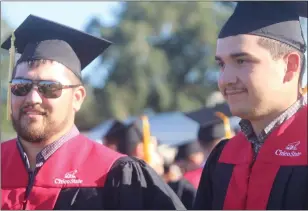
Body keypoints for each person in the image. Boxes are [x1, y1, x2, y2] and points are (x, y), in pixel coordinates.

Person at [1, 15, 186, 210]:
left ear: (78, 97)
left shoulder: (118, 176)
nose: (32, 98)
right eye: (21, 86)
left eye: (49, 87)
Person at [194, 2, 307, 210]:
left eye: (241, 61)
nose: (225, 79)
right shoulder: (223, 156)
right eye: (221, 64)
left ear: (290, 66)